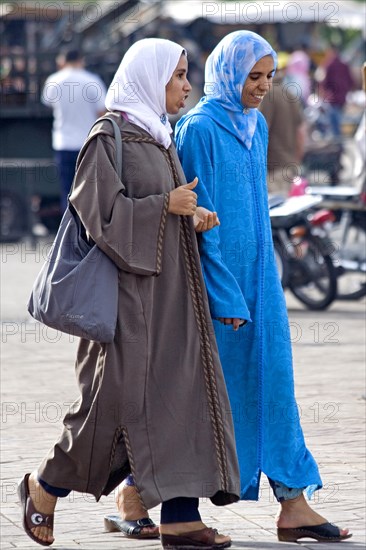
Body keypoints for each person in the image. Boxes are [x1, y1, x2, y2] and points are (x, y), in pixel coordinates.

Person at [19, 38, 240, 549]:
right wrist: (166, 205)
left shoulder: (161, 138)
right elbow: (101, 216)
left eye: (188, 75)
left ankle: (182, 519)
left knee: (182, 398)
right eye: (179, 75)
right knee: (109, 409)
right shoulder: (107, 136)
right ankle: (44, 487)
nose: (188, 85)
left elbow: (167, 208)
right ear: (151, 76)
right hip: (126, 305)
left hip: (173, 301)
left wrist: (191, 214)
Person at [174, 30, 351, 544]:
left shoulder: (253, 124)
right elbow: (199, 223)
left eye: (269, 77)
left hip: (262, 287)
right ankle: (138, 491)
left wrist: (266, 285)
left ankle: (293, 501)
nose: (261, 87)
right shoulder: (199, 130)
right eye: (253, 77)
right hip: (220, 293)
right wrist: (224, 294)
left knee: (275, 385)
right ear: (228, 73)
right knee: (209, 398)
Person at [41, 49, 107, 212]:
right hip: (88, 144)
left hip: (63, 143)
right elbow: (103, 112)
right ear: (81, 60)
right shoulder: (92, 80)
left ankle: (68, 232)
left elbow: (47, 102)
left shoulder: (54, 81)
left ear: (63, 61)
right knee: (90, 192)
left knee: (66, 191)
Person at [260, 52, 307, 195]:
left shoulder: (268, 95)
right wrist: (296, 160)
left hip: (275, 168)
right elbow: (301, 134)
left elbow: (261, 132)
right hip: (290, 166)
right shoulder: (291, 94)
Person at [319, 44, 354, 137]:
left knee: (335, 125)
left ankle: (338, 145)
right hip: (342, 98)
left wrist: (323, 94)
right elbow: (351, 81)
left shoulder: (328, 65)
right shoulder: (344, 64)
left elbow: (324, 83)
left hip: (332, 98)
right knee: (339, 122)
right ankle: (340, 143)